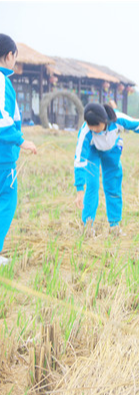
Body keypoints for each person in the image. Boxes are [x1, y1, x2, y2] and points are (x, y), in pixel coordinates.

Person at [74, 103, 139, 232]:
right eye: (91, 128)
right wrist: (80, 190)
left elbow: (138, 125)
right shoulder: (86, 132)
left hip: (112, 149)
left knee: (113, 185)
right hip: (93, 152)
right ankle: (87, 225)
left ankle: (114, 225)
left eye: (97, 127)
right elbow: (79, 160)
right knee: (92, 184)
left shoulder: (117, 119)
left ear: (104, 120)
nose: (94, 130)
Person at [0, 34, 37, 266]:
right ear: (9, 55)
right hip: (3, 156)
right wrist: (21, 140)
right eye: (15, 56)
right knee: (7, 200)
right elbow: (2, 119)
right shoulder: (2, 81)